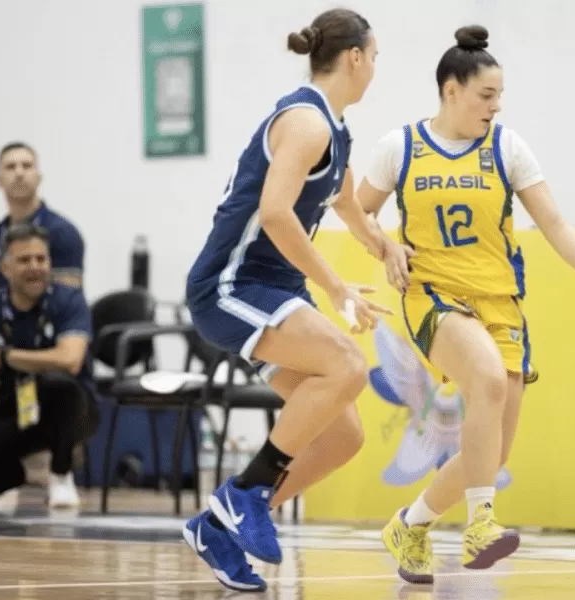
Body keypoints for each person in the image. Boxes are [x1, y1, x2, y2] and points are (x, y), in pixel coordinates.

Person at [355, 25, 575, 584]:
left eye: (500, 95)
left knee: (493, 453)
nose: (496, 105)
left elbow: (553, 222)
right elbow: (357, 210)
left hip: (500, 303)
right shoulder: (400, 147)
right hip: (434, 296)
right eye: (487, 94)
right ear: (451, 90)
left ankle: (410, 526)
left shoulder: (507, 147)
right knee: (485, 378)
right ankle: (480, 526)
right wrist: (386, 245)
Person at [181, 8, 401, 593]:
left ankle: (216, 528)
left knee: (343, 435)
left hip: (273, 289)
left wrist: (388, 249)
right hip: (230, 284)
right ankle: (245, 494)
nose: (375, 68)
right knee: (347, 365)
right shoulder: (305, 122)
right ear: (355, 57)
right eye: (375, 57)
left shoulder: (335, 130)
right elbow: (276, 213)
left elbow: (349, 207)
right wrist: (336, 287)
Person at [0, 223, 93, 510]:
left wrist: (6, 356)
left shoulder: (68, 301)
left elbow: (70, 360)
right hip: (13, 413)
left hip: (70, 411)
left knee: (60, 384)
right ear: (5, 268)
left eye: (41, 259)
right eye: (24, 260)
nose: (35, 267)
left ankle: (60, 474)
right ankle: (15, 474)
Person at [0, 143, 85, 340]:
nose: (19, 173)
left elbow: (67, 302)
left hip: (45, 335)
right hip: (1, 330)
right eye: (11, 167)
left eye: (27, 166)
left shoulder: (62, 232)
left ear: (38, 177)